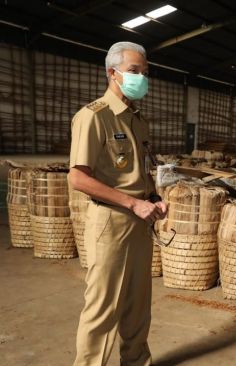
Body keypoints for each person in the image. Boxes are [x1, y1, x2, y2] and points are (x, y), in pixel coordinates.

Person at [68, 41, 167, 366]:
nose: (142, 78)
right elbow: (79, 178)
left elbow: (138, 171)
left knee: (138, 305)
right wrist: (131, 203)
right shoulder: (94, 117)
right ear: (113, 73)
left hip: (140, 223)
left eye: (145, 72)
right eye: (135, 71)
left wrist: (152, 198)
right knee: (102, 310)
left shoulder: (137, 120)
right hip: (110, 223)